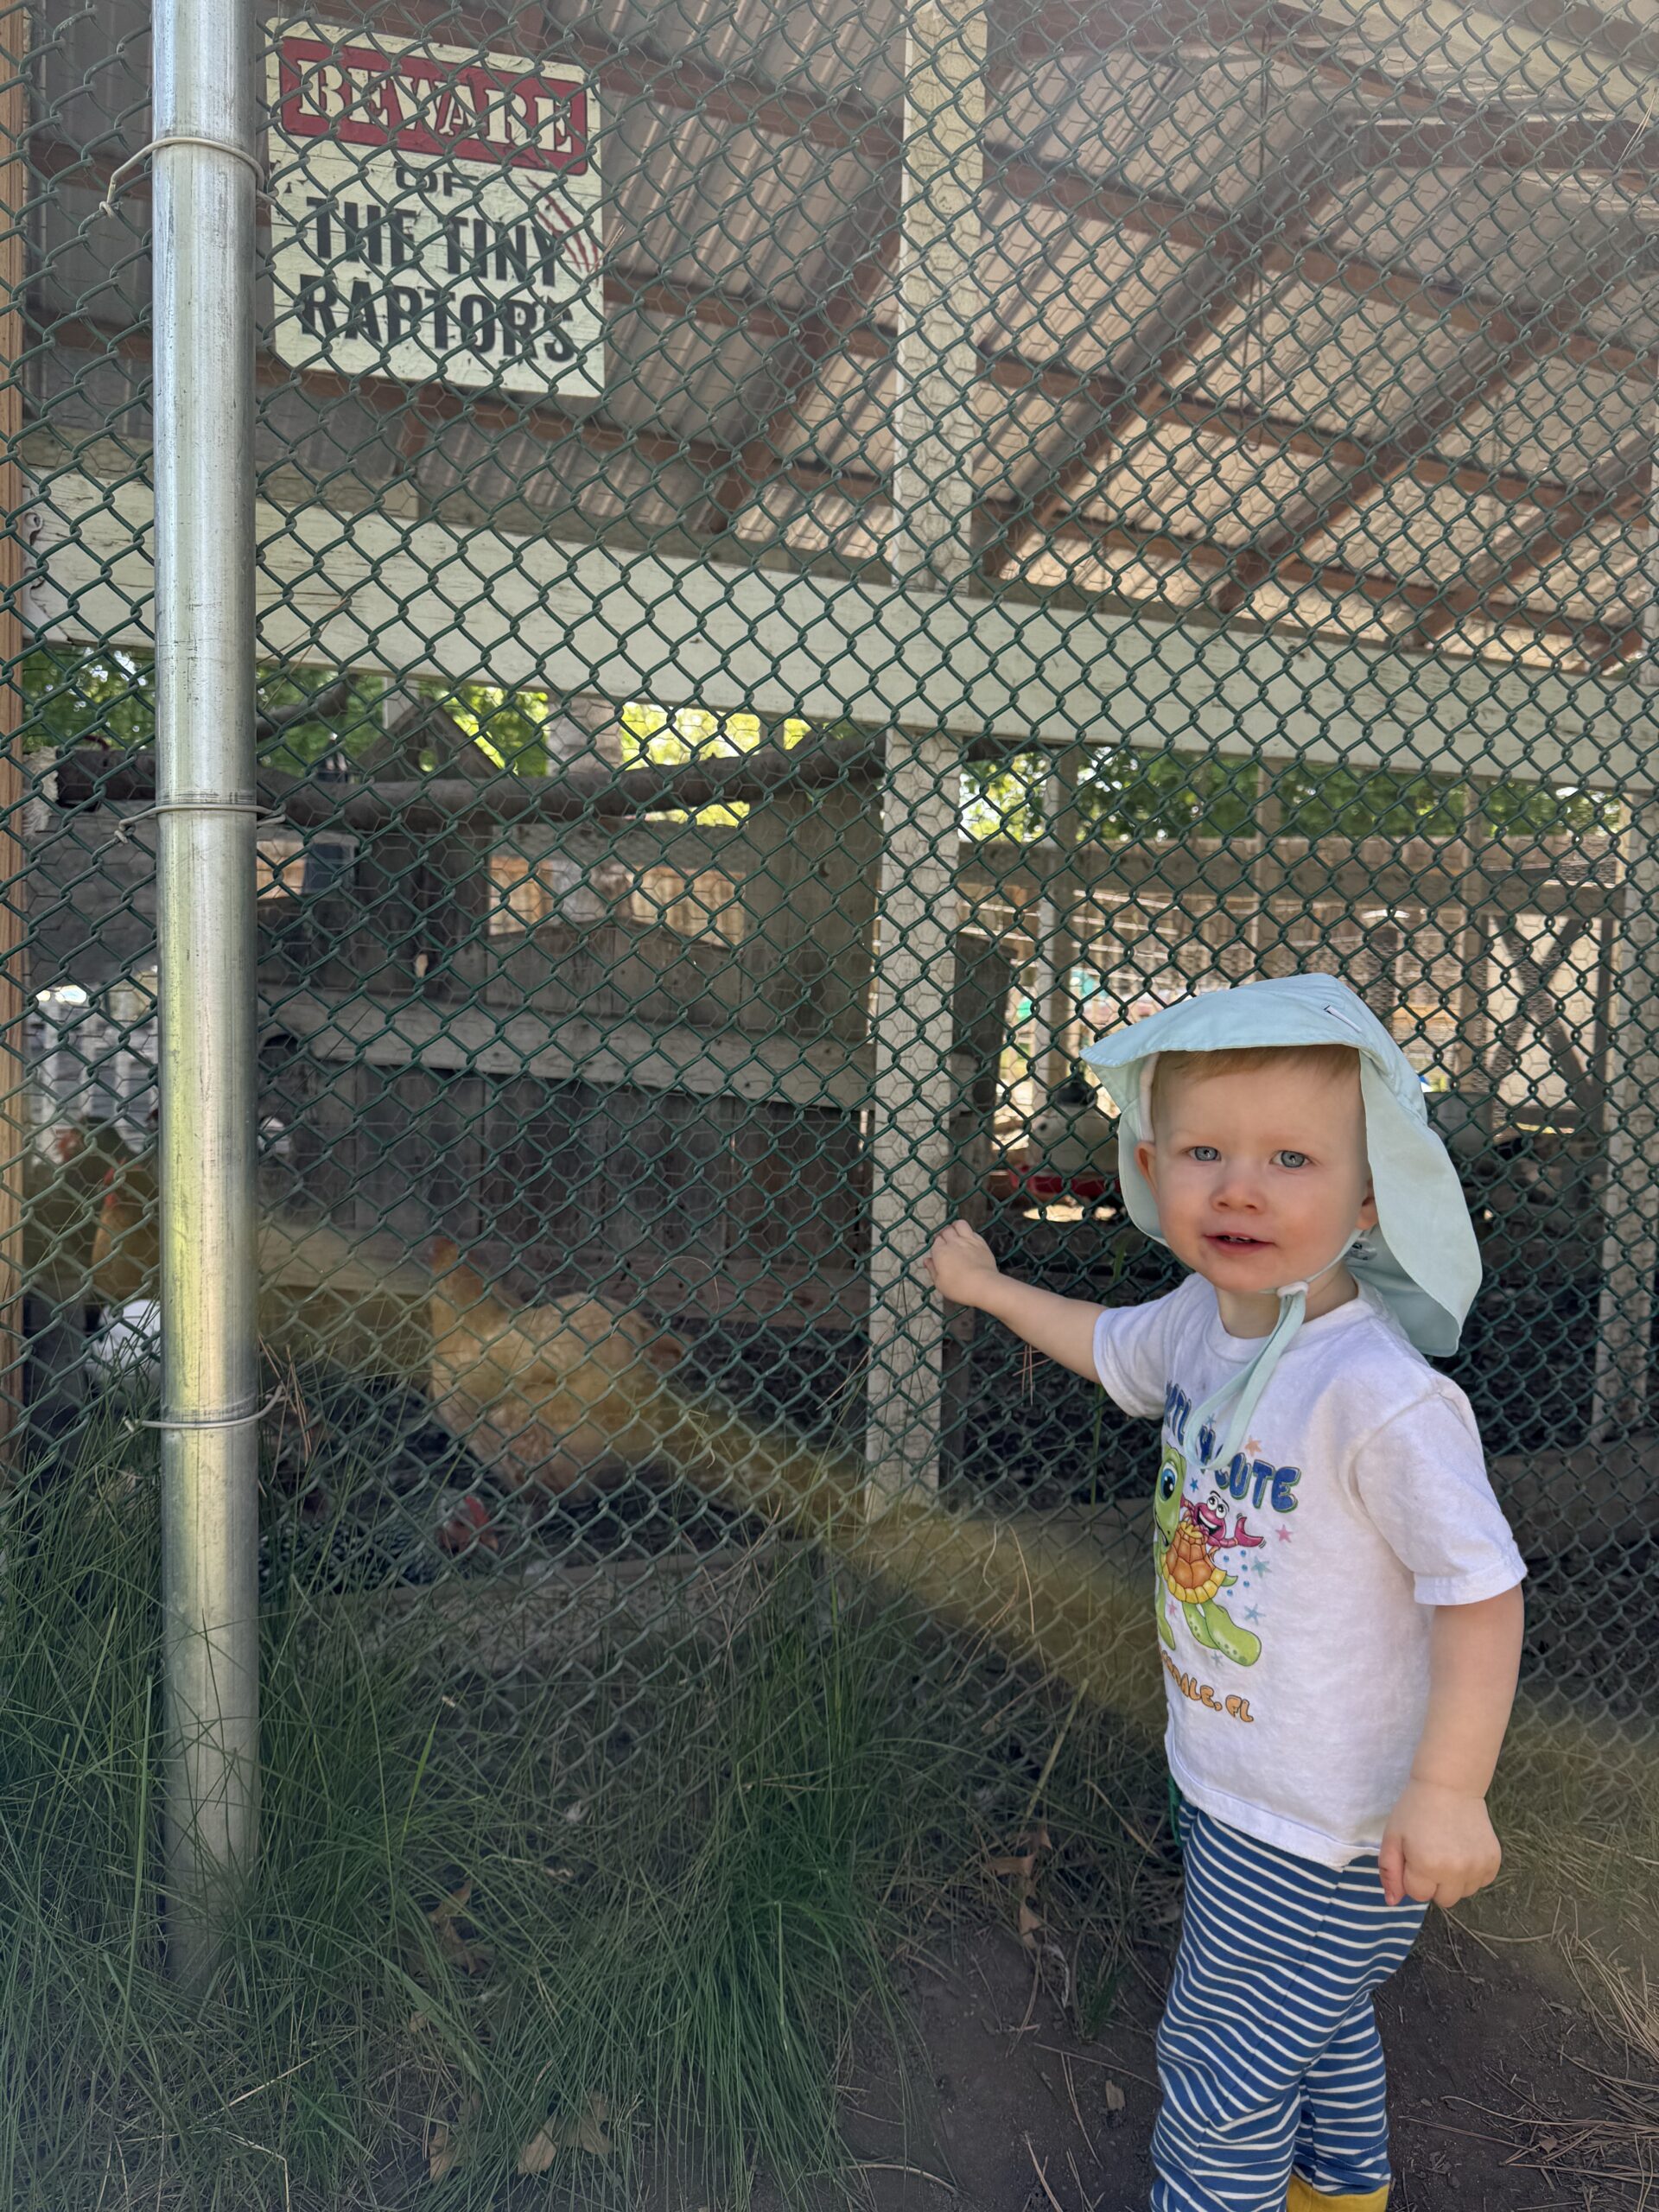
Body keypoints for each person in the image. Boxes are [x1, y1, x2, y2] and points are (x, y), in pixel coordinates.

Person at [924, 975, 1525, 2212]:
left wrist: (1450, 1788)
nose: (1241, 1188)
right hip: (1236, 1789)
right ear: (1153, 1170)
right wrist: (988, 1292)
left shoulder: (1379, 1396)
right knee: (1311, 2029)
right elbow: (1109, 1346)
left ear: (1369, 1196)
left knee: (1220, 2071)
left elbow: (1480, 1590)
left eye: (1291, 1159)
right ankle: (1339, 2193)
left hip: (1332, 1829)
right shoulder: (1208, 1319)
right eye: (1206, 1153)